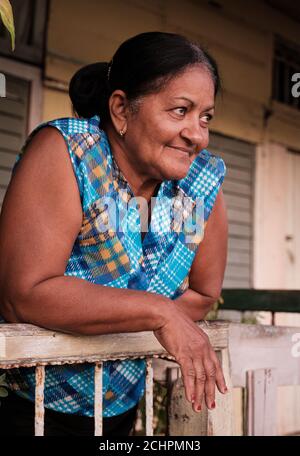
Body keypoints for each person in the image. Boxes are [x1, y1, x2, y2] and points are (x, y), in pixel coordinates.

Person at [0, 31, 228, 436]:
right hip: (27, 406)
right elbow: (25, 294)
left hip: (122, 411)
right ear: (121, 109)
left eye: (205, 117)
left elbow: (204, 294)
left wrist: (145, 317)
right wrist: (158, 312)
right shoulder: (71, 151)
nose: (197, 134)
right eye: (180, 111)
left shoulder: (202, 181)